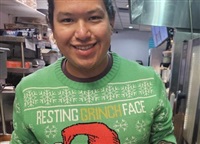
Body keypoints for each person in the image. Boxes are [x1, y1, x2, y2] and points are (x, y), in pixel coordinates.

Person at [10, 0, 177, 144]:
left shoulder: (148, 82)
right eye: (67, 20)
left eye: (94, 18)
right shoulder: (29, 91)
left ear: (111, 21)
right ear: (52, 25)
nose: (82, 33)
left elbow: (163, 137)